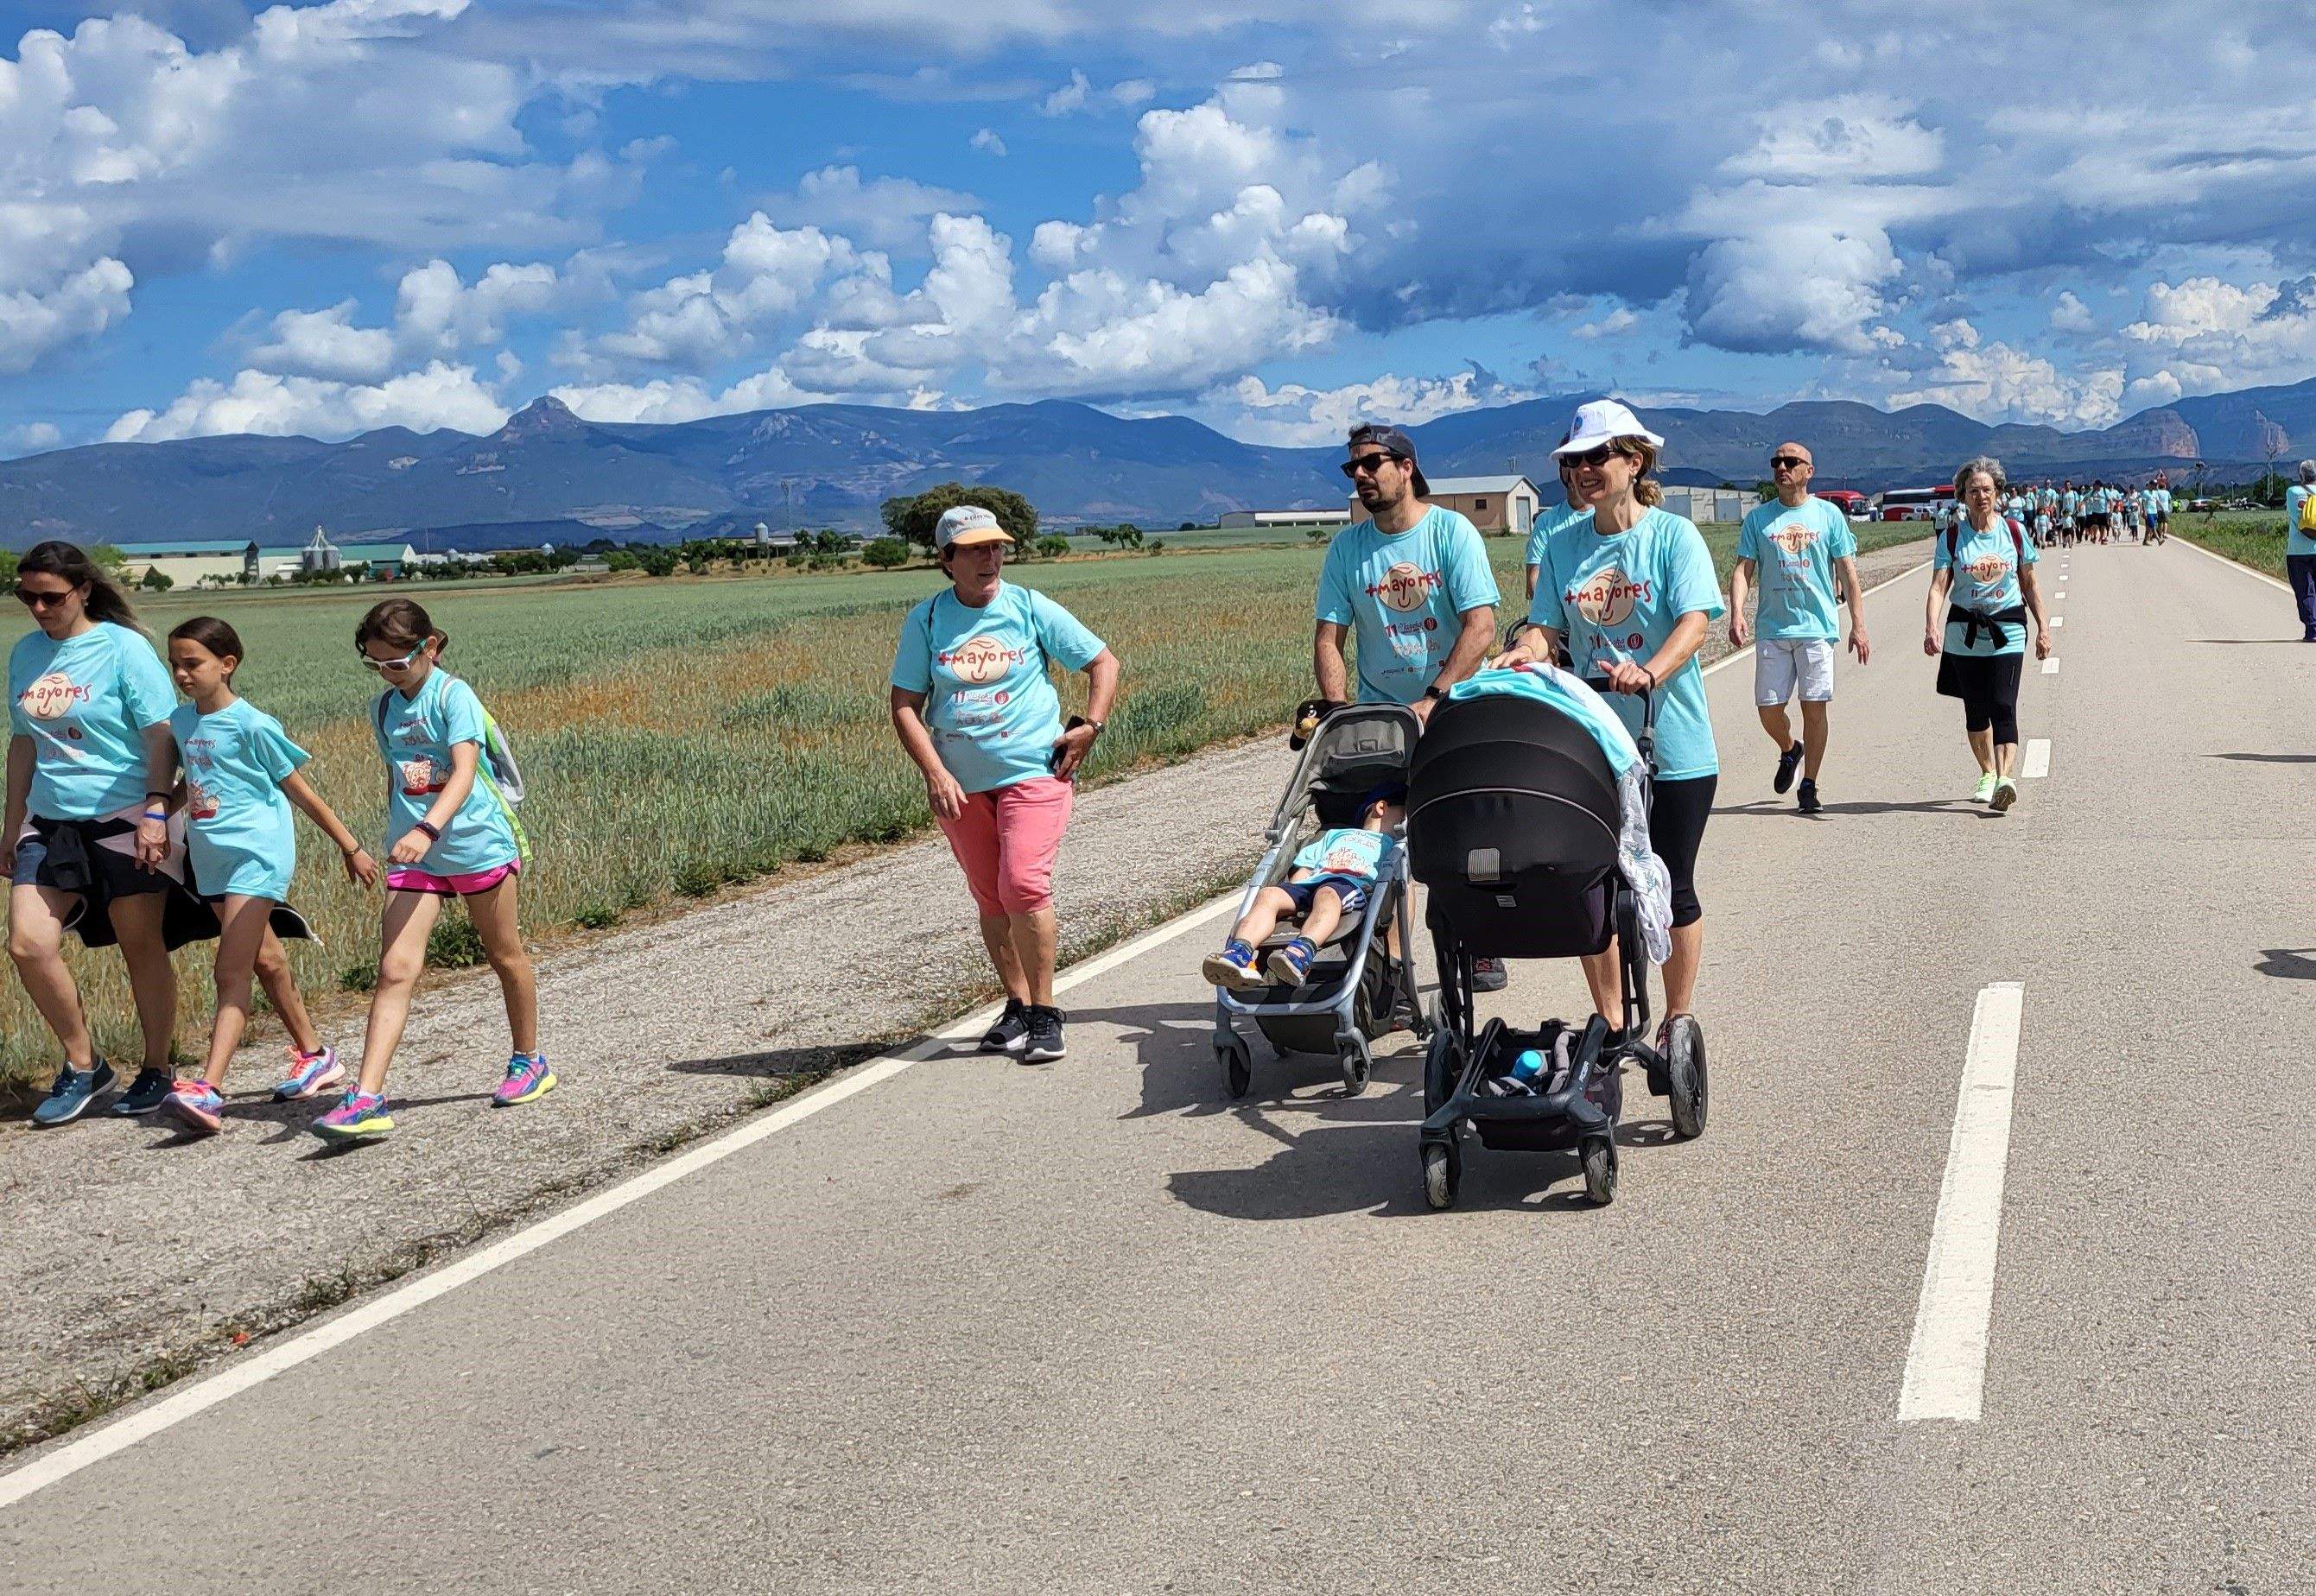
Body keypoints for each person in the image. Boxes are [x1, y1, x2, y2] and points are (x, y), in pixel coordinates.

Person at [1501, 399, 1723, 1054]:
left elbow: (1694, 622)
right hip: (1591, 746)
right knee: (1589, 887)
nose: (1583, 471)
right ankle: (1612, 1021)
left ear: (1634, 461)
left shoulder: (1671, 537)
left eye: (1598, 457)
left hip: (1671, 745)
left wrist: (1649, 670)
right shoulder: (1563, 543)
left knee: (1668, 882)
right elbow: (1548, 628)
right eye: (1573, 461)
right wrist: (1526, 651)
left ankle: (1676, 1018)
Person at [891, 505, 1120, 1063]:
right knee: (990, 894)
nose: (989, 557)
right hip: (960, 786)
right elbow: (904, 705)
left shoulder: (1027, 606)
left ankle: (1045, 1012)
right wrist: (935, 772)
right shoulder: (926, 621)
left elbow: (1102, 662)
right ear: (946, 559)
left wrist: (1090, 726)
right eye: (973, 549)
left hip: (1031, 772)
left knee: (1021, 884)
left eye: (994, 547)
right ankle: (1015, 1005)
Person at [315, 600, 543, 1141]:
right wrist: (395, 836)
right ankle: (368, 1096)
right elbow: (399, 779)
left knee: (504, 955)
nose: (387, 674)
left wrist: (428, 829)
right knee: (395, 969)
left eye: (396, 663)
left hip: (475, 846)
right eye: (375, 665)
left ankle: (529, 1060)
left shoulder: (453, 695)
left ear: (430, 648)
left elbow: (464, 771)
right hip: (416, 858)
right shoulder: (384, 708)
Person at [155, 618, 377, 1136]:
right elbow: (194, 781)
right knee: (266, 959)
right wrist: (156, 820)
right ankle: (317, 1056)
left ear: (227, 665)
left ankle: (209, 1089)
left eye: (193, 664)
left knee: (230, 971)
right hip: (211, 860)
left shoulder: (253, 724)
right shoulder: (182, 723)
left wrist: (350, 846)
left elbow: (300, 790)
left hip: (257, 855)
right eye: (175, 664)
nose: (182, 674)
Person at [7, 542, 195, 1126]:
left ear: (83, 591)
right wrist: (11, 824)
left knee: (141, 948)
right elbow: (23, 742)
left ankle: (158, 1067)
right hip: (51, 820)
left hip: (124, 819)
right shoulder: (24, 654)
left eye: (51, 597)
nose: (38, 608)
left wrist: (159, 810)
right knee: (27, 944)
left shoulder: (122, 648)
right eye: (26, 596)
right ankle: (85, 1065)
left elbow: (161, 734)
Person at [1317, 421, 1502, 986]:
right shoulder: (1347, 548)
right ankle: (1388, 966)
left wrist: (1434, 695)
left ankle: (1479, 941)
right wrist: (1337, 711)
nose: (1360, 476)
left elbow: (1481, 626)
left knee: (1458, 832)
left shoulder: (1450, 533)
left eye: (1371, 463)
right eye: (1352, 468)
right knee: (1379, 834)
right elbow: (1329, 638)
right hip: (1382, 719)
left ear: (1406, 466)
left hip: (1452, 708)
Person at [1729, 440, 1869, 814]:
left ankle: (1810, 783)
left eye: (1791, 462)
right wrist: (1737, 612)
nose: (1781, 467)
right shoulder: (1759, 519)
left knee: (1815, 708)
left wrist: (1858, 624)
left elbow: (1848, 574)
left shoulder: (1828, 515)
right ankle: (1790, 748)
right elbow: (1743, 570)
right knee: (1768, 708)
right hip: (1773, 628)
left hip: (1817, 627)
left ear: (1809, 470)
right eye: (1776, 462)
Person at [1925, 457, 2053, 813]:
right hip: (1964, 631)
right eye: (1973, 490)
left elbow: (2029, 583)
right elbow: (1938, 587)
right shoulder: (1952, 537)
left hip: (2008, 628)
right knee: (1976, 710)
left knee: (2003, 703)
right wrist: (1931, 627)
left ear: (1998, 493)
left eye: (1987, 489)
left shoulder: (2013, 531)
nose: (1981, 495)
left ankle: (2005, 776)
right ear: (1962, 497)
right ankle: (1986, 773)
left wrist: (2043, 628)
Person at [1202, 785, 1402, 990]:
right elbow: (1305, 868)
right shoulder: (1334, 835)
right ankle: (1239, 953)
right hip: (1313, 883)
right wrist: (1293, 899)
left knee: (1327, 894)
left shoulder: (1395, 845)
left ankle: (1300, 954)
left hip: (1350, 885)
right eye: (1404, 812)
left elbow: (1397, 880)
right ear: (1381, 807)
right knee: (1269, 895)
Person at [1525, 453, 1589, 602]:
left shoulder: (1604, 516)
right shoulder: (1546, 522)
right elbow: (1534, 577)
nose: (1575, 471)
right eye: (1569, 462)